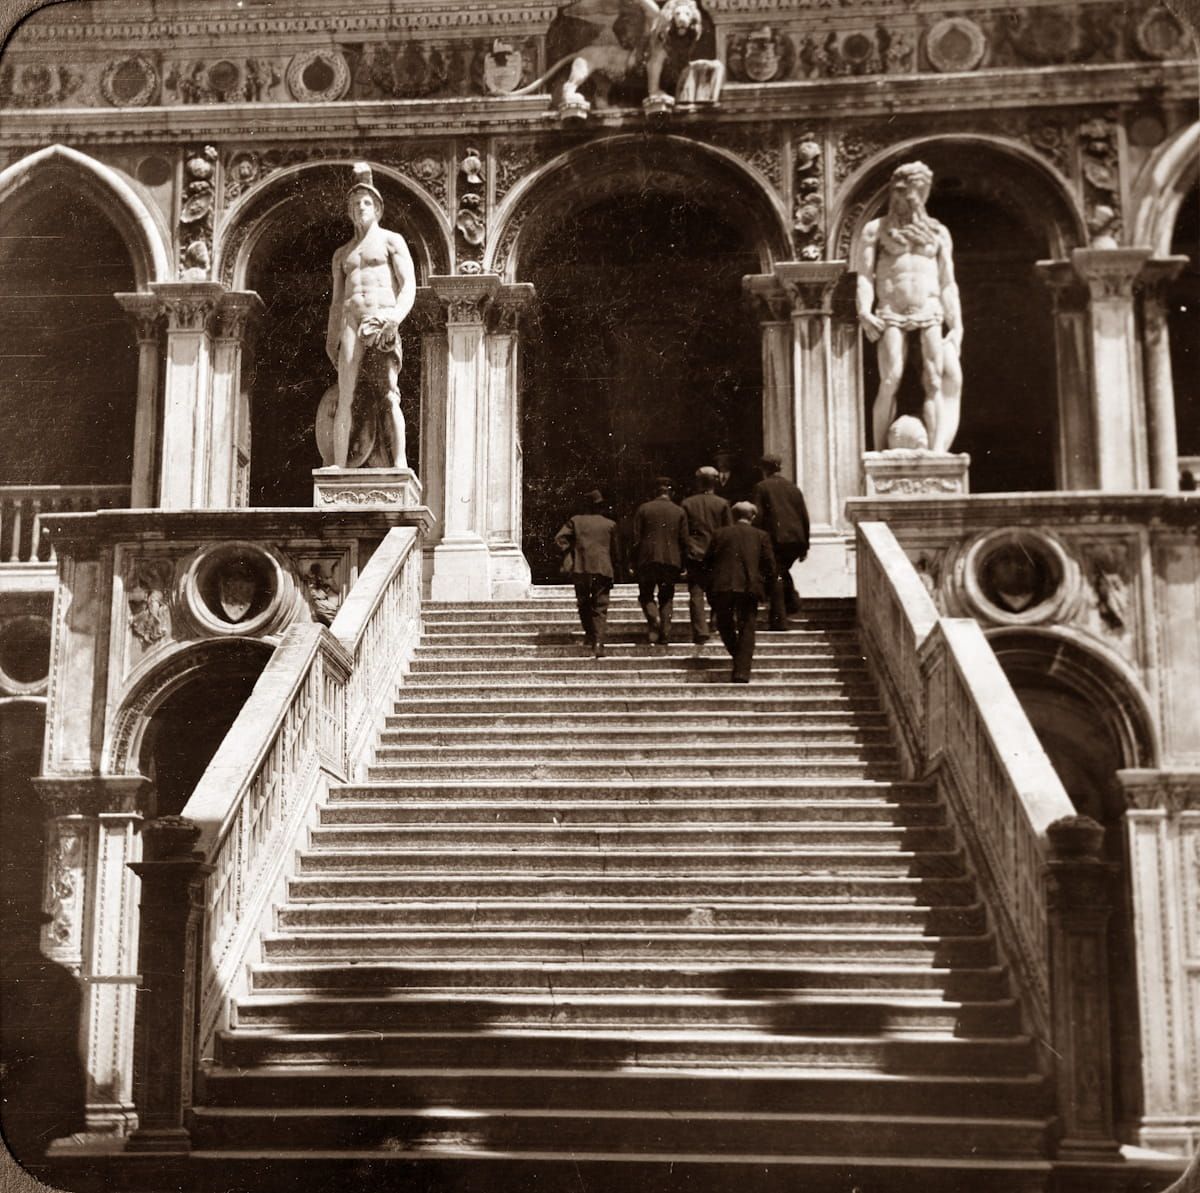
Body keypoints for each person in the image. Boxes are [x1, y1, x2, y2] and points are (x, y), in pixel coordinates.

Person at [856, 160, 963, 454]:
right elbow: (865, 275)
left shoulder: (938, 232)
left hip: (930, 309)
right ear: (897, 192)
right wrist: (864, 311)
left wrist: (957, 325)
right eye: (910, 192)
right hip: (891, 310)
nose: (915, 198)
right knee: (890, 379)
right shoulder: (876, 230)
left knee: (934, 381)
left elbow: (947, 282)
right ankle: (877, 453)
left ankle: (938, 452)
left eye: (921, 191)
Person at [326, 162, 417, 470]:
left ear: (377, 208)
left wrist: (394, 318)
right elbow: (337, 302)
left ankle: (400, 462)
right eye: (354, 204)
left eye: (366, 203)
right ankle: (339, 465)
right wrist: (331, 338)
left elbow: (409, 286)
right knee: (346, 395)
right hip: (351, 322)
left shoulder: (391, 241)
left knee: (390, 395)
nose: (360, 207)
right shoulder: (342, 253)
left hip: (381, 320)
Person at [705, 501, 776, 684]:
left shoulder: (719, 534)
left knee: (725, 625)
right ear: (752, 517)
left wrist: (710, 587)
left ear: (734, 516)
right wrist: (766, 590)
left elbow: (708, 563)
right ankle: (742, 670)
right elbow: (770, 566)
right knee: (747, 628)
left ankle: (739, 658)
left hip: (723, 587)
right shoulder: (761, 536)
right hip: (749, 587)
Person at [555, 489, 620, 658]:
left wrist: (571, 551)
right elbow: (616, 551)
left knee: (583, 603)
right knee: (600, 606)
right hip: (602, 569)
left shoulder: (575, 521)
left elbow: (560, 539)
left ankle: (590, 634)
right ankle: (598, 643)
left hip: (581, 568)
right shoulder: (609, 524)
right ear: (600, 506)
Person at [751, 454, 810, 632]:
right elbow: (804, 517)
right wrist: (805, 544)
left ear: (764, 469)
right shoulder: (793, 488)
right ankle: (792, 602)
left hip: (775, 539)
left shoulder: (761, 487)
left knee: (774, 576)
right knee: (780, 571)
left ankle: (779, 620)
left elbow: (758, 515)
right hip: (795, 540)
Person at [632, 476, 689, 645]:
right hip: (671, 560)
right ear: (671, 491)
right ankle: (665, 632)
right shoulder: (679, 511)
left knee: (646, 595)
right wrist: (684, 564)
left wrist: (632, 562)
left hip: (647, 559)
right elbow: (684, 540)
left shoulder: (643, 509)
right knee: (667, 597)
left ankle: (654, 618)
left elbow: (636, 539)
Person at [680, 465, 732, 645]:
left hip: (695, 553)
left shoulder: (687, 503)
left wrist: (688, 551)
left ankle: (700, 631)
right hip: (717, 554)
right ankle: (715, 622)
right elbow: (728, 532)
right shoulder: (723, 503)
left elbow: (683, 532)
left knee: (696, 593)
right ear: (715, 483)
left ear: (698, 482)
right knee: (717, 591)